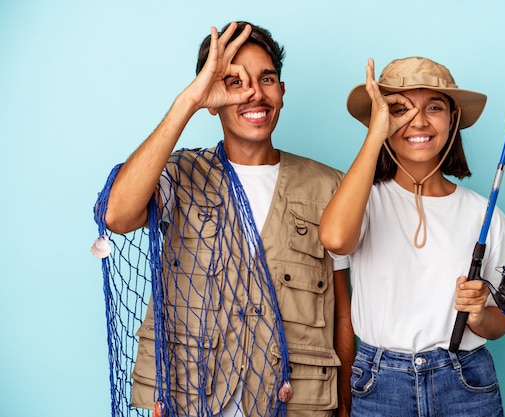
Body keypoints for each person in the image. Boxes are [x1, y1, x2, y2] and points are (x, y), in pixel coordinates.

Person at [103, 21, 354, 417]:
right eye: (234, 82)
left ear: (283, 92)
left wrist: (345, 406)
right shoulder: (180, 174)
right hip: (193, 400)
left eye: (267, 78)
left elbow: (343, 308)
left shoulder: (331, 186)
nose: (255, 92)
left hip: (295, 403)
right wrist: (188, 101)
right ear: (212, 98)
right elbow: (117, 215)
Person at [318, 56, 505, 417]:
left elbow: (499, 320)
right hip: (380, 384)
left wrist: (477, 316)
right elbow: (334, 239)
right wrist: (376, 133)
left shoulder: (487, 216)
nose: (418, 121)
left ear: (453, 119)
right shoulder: (362, 201)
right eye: (400, 108)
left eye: (434, 107)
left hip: (465, 382)